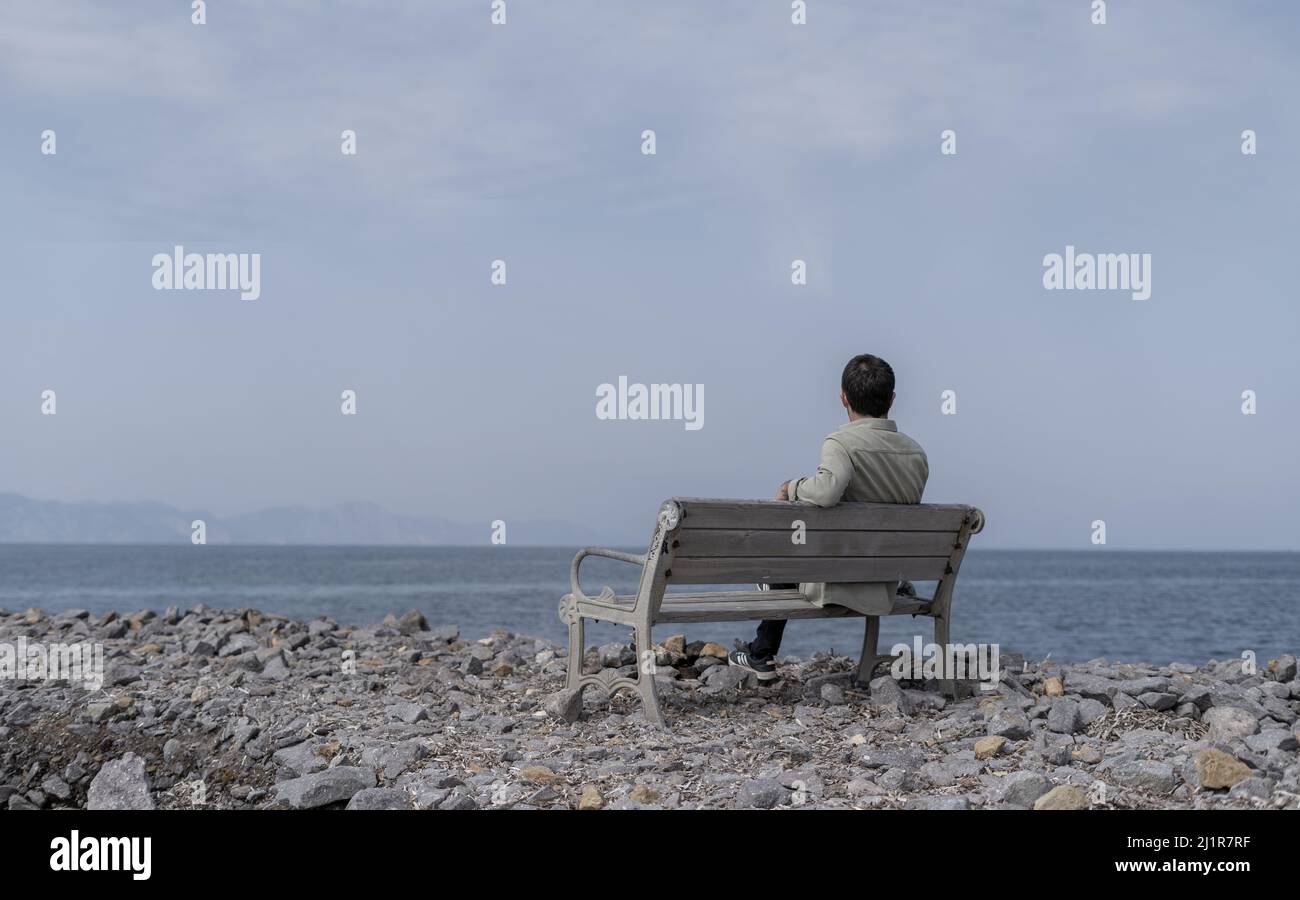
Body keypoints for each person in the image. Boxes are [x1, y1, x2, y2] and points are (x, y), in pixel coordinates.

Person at [728, 353, 929, 681]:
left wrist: (791, 487)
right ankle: (768, 607)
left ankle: (761, 652)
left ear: (843, 398)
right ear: (892, 399)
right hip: (883, 582)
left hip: (837, 582)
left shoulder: (842, 443)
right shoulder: (916, 453)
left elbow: (825, 492)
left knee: (791, 538)